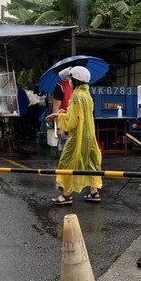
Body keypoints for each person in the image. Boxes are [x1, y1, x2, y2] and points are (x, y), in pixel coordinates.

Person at [45, 66, 102, 205]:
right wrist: (65, 112)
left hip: (78, 135)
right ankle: (94, 192)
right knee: (91, 162)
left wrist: (58, 116)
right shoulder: (87, 95)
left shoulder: (76, 95)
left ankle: (67, 195)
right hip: (89, 134)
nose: (69, 81)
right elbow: (78, 114)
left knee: (67, 162)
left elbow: (71, 122)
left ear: (76, 80)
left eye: (71, 78)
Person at [51, 66, 74, 149]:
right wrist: (59, 127)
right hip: (65, 123)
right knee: (65, 151)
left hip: (77, 124)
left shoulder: (78, 87)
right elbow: (55, 108)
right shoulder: (60, 86)